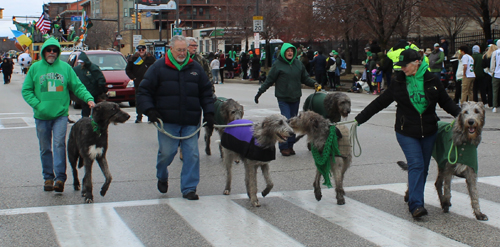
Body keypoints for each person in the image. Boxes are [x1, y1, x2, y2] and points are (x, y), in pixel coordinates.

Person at [354, 48, 460, 218]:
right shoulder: (399, 82)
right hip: (406, 131)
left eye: (405, 65)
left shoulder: (432, 79)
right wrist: (358, 120)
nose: (402, 68)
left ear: (417, 63)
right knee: (416, 164)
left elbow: (446, 102)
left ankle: (413, 193)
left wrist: (461, 116)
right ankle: (416, 206)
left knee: (423, 168)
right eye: (400, 65)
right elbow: (379, 102)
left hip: (429, 130)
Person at [137, 35, 214, 200]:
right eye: (179, 50)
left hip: (191, 120)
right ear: (170, 49)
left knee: (192, 154)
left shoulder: (196, 68)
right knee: (167, 153)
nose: (182, 53)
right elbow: (144, 91)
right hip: (167, 121)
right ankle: (162, 175)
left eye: (184, 50)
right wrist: (149, 110)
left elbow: (206, 92)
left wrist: (209, 112)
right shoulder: (158, 67)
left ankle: (189, 188)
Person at [21, 37, 95, 192]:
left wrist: (88, 99)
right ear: (44, 51)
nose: (52, 53)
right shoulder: (35, 68)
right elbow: (26, 90)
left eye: (55, 50)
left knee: (59, 145)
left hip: (60, 115)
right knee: (45, 148)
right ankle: (48, 177)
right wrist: (37, 105)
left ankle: (60, 179)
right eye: (49, 50)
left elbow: (77, 86)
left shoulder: (65, 68)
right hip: (41, 116)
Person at [254, 43, 318, 156]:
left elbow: (305, 78)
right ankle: (283, 146)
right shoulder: (278, 65)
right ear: (283, 52)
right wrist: (259, 93)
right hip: (283, 97)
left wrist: (315, 84)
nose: (290, 53)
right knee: (286, 120)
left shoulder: (298, 64)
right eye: (287, 51)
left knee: (293, 122)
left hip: (295, 97)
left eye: (291, 51)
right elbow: (269, 80)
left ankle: (290, 145)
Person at [126, 40, 156, 123]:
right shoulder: (133, 58)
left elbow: (155, 69)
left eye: (143, 49)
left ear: (145, 49)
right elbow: (128, 70)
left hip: (149, 82)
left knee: (150, 99)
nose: (141, 51)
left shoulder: (151, 58)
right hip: (138, 82)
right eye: (139, 50)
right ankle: (139, 116)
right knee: (138, 100)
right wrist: (133, 78)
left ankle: (151, 117)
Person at [73, 52, 107, 118]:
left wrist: (101, 89)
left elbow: (101, 78)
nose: (81, 64)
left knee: (94, 108)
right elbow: (70, 73)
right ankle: (85, 119)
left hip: (94, 92)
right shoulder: (78, 69)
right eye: (80, 62)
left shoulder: (93, 68)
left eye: (82, 62)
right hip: (84, 92)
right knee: (85, 108)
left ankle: (95, 119)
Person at [491, 40, 500, 113]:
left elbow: (492, 64)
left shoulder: (495, 52)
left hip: (497, 73)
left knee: (495, 91)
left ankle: (495, 106)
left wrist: (492, 71)